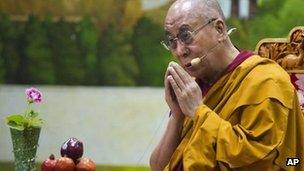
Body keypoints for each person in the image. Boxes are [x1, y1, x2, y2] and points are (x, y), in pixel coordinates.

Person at [149, 0, 304, 170]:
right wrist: (177, 117)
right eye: (172, 42)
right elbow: (158, 167)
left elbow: (263, 160)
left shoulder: (266, 80)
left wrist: (198, 112)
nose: (179, 51)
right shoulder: (193, 90)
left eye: (186, 36)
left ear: (219, 29)